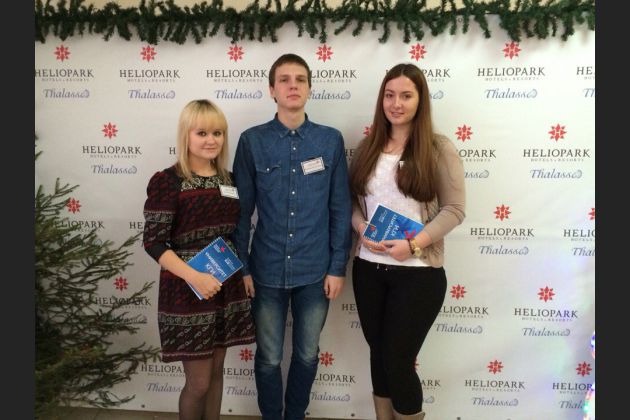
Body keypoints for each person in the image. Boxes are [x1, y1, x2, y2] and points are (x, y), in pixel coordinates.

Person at [232, 53, 352, 420]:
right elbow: (240, 212)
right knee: (268, 358)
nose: (293, 85)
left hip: (315, 272)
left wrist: (337, 267)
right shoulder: (252, 141)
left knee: (306, 355)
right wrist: (242, 268)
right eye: (284, 79)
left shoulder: (330, 141)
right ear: (272, 90)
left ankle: (295, 415)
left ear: (310, 88)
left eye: (300, 79)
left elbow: (340, 208)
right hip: (265, 272)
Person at [348, 63, 466, 420]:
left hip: (417, 273)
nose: (396, 103)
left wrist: (414, 244)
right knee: (379, 355)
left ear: (420, 100)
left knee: (398, 361)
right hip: (369, 270)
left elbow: (455, 209)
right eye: (389, 95)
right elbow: (353, 202)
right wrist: (360, 227)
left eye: (406, 95)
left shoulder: (438, 148)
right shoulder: (367, 147)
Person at [142, 99, 256, 420]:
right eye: (202, 133)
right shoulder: (168, 181)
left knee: (217, 373)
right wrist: (194, 276)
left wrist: (244, 273)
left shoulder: (229, 180)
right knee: (199, 383)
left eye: (217, 133)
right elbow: (153, 242)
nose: (211, 140)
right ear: (186, 135)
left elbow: (234, 234)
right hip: (186, 290)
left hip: (225, 285)